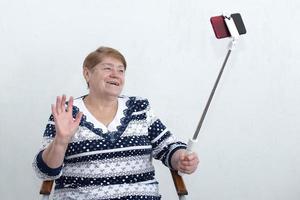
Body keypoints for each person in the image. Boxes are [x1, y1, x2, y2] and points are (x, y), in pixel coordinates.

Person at [33, 46, 199, 200]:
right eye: (108, 68)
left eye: (121, 70)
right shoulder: (68, 112)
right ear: (87, 74)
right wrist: (60, 142)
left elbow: (167, 148)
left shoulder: (139, 108)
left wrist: (181, 158)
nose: (116, 74)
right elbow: (45, 171)